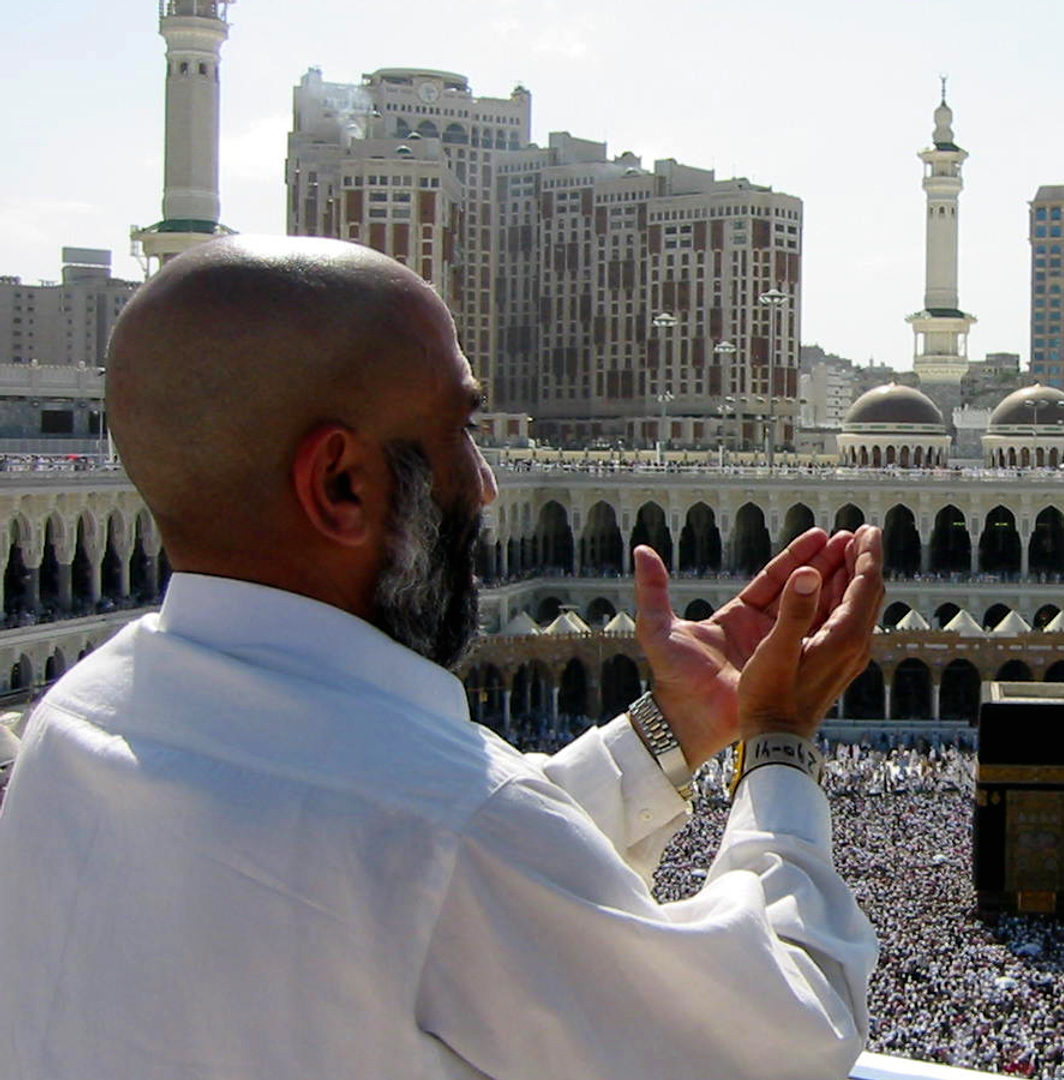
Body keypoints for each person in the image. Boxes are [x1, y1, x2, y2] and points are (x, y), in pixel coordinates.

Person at [0, 237, 885, 1079]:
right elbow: (785, 1038)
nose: (489, 481)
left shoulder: (73, 724)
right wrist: (776, 738)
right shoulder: (441, 832)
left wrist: (673, 728)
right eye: (459, 431)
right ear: (341, 484)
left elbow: (395, 879)